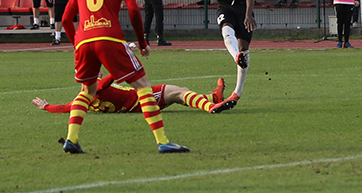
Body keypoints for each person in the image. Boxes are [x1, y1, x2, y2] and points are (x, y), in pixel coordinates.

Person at [59, 0, 188, 154]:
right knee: (143, 85)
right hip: (108, 37)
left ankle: (71, 139)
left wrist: (77, 45)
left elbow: (65, 19)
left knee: (88, 90)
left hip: (83, 40)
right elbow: (134, 10)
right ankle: (163, 141)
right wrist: (142, 43)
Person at [154, 0, 257, 113]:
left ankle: (237, 91)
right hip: (225, 7)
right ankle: (236, 56)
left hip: (242, 8)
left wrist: (248, 15)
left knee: (244, 48)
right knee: (226, 30)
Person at [34, 73, 224, 116]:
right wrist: (118, 67)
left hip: (136, 107)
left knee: (176, 96)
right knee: (181, 91)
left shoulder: (82, 99)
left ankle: (213, 98)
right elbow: (106, 81)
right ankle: (211, 106)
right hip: (142, 98)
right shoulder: (97, 87)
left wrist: (46, 106)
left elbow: (64, 108)